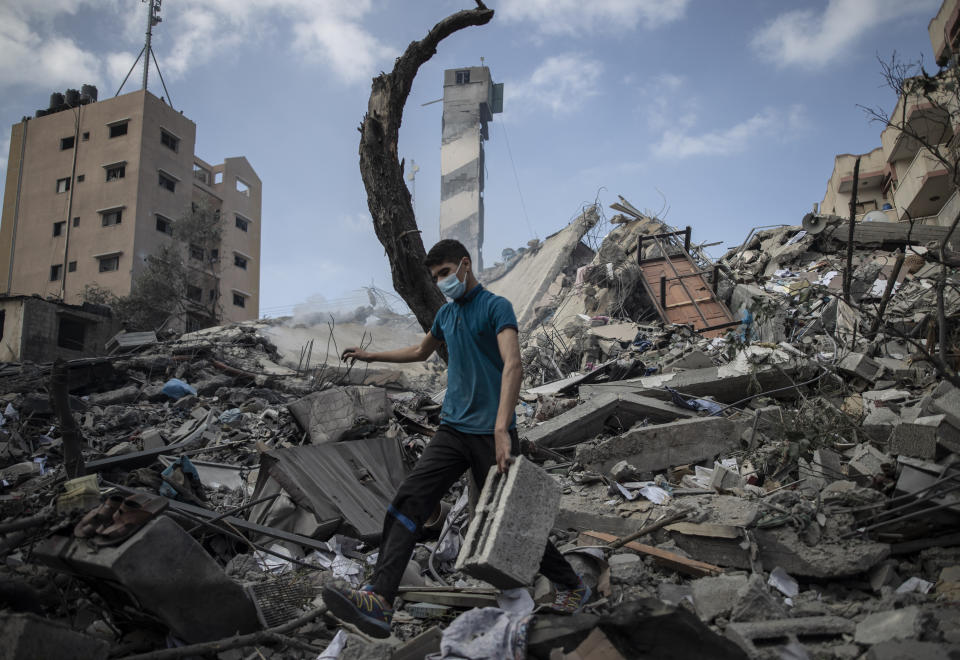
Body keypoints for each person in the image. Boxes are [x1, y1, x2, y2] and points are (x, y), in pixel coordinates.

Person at [321, 239, 589, 638]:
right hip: (452, 430)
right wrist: (371, 356)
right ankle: (379, 599)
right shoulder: (446, 315)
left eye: (445, 273)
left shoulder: (496, 307)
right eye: (435, 278)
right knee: (410, 499)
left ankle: (571, 584)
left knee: (511, 519)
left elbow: (513, 364)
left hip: (492, 433)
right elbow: (419, 351)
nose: (441, 282)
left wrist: (502, 429)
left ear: (464, 265)